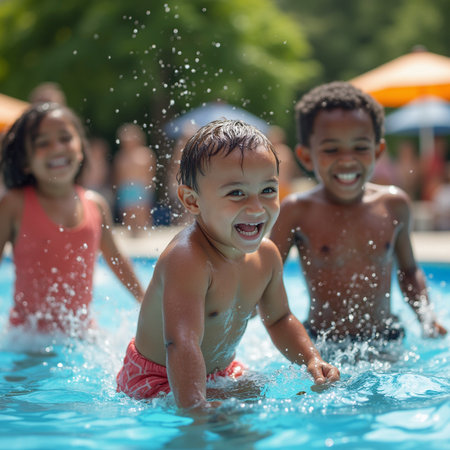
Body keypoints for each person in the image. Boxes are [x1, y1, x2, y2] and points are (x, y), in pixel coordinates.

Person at [116, 119, 340, 412]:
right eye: (236, 193)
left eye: (268, 191)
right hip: (158, 377)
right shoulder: (188, 259)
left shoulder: (267, 256)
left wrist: (312, 358)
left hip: (220, 371)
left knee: (269, 397)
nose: (256, 207)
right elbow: (181, 342)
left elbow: (279, 318)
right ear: (192, 200)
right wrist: (196, 407)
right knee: (227, 421)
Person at [270, 81, 447, 345]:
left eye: (360, 147)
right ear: (306, 157)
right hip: (323, 343)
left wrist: (426, 314)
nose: (347, 159)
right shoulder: (297, 211)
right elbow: (266, 274)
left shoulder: (393, 204)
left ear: (378, 151)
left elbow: (409, 271)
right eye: (331, 149)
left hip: (386, 339)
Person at [0, 102, 145, 336]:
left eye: (65, 138)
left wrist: (146, 302)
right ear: (25, 161)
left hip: (82, 333)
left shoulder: (95, 204)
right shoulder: (14, 204)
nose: (56, 148)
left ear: (80, 148)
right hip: (27, 338)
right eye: (42, 143)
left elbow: (117, 260)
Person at [113, 123, 156, 237]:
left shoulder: (145, 154)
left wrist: (149, 188)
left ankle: (144, 237)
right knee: (128, 215)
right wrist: (118, 190)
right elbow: (118, 175)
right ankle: (132, 238)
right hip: (126, 187)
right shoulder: (121, 156)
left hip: (140, 187)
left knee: (142, 214)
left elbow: (150, 174)